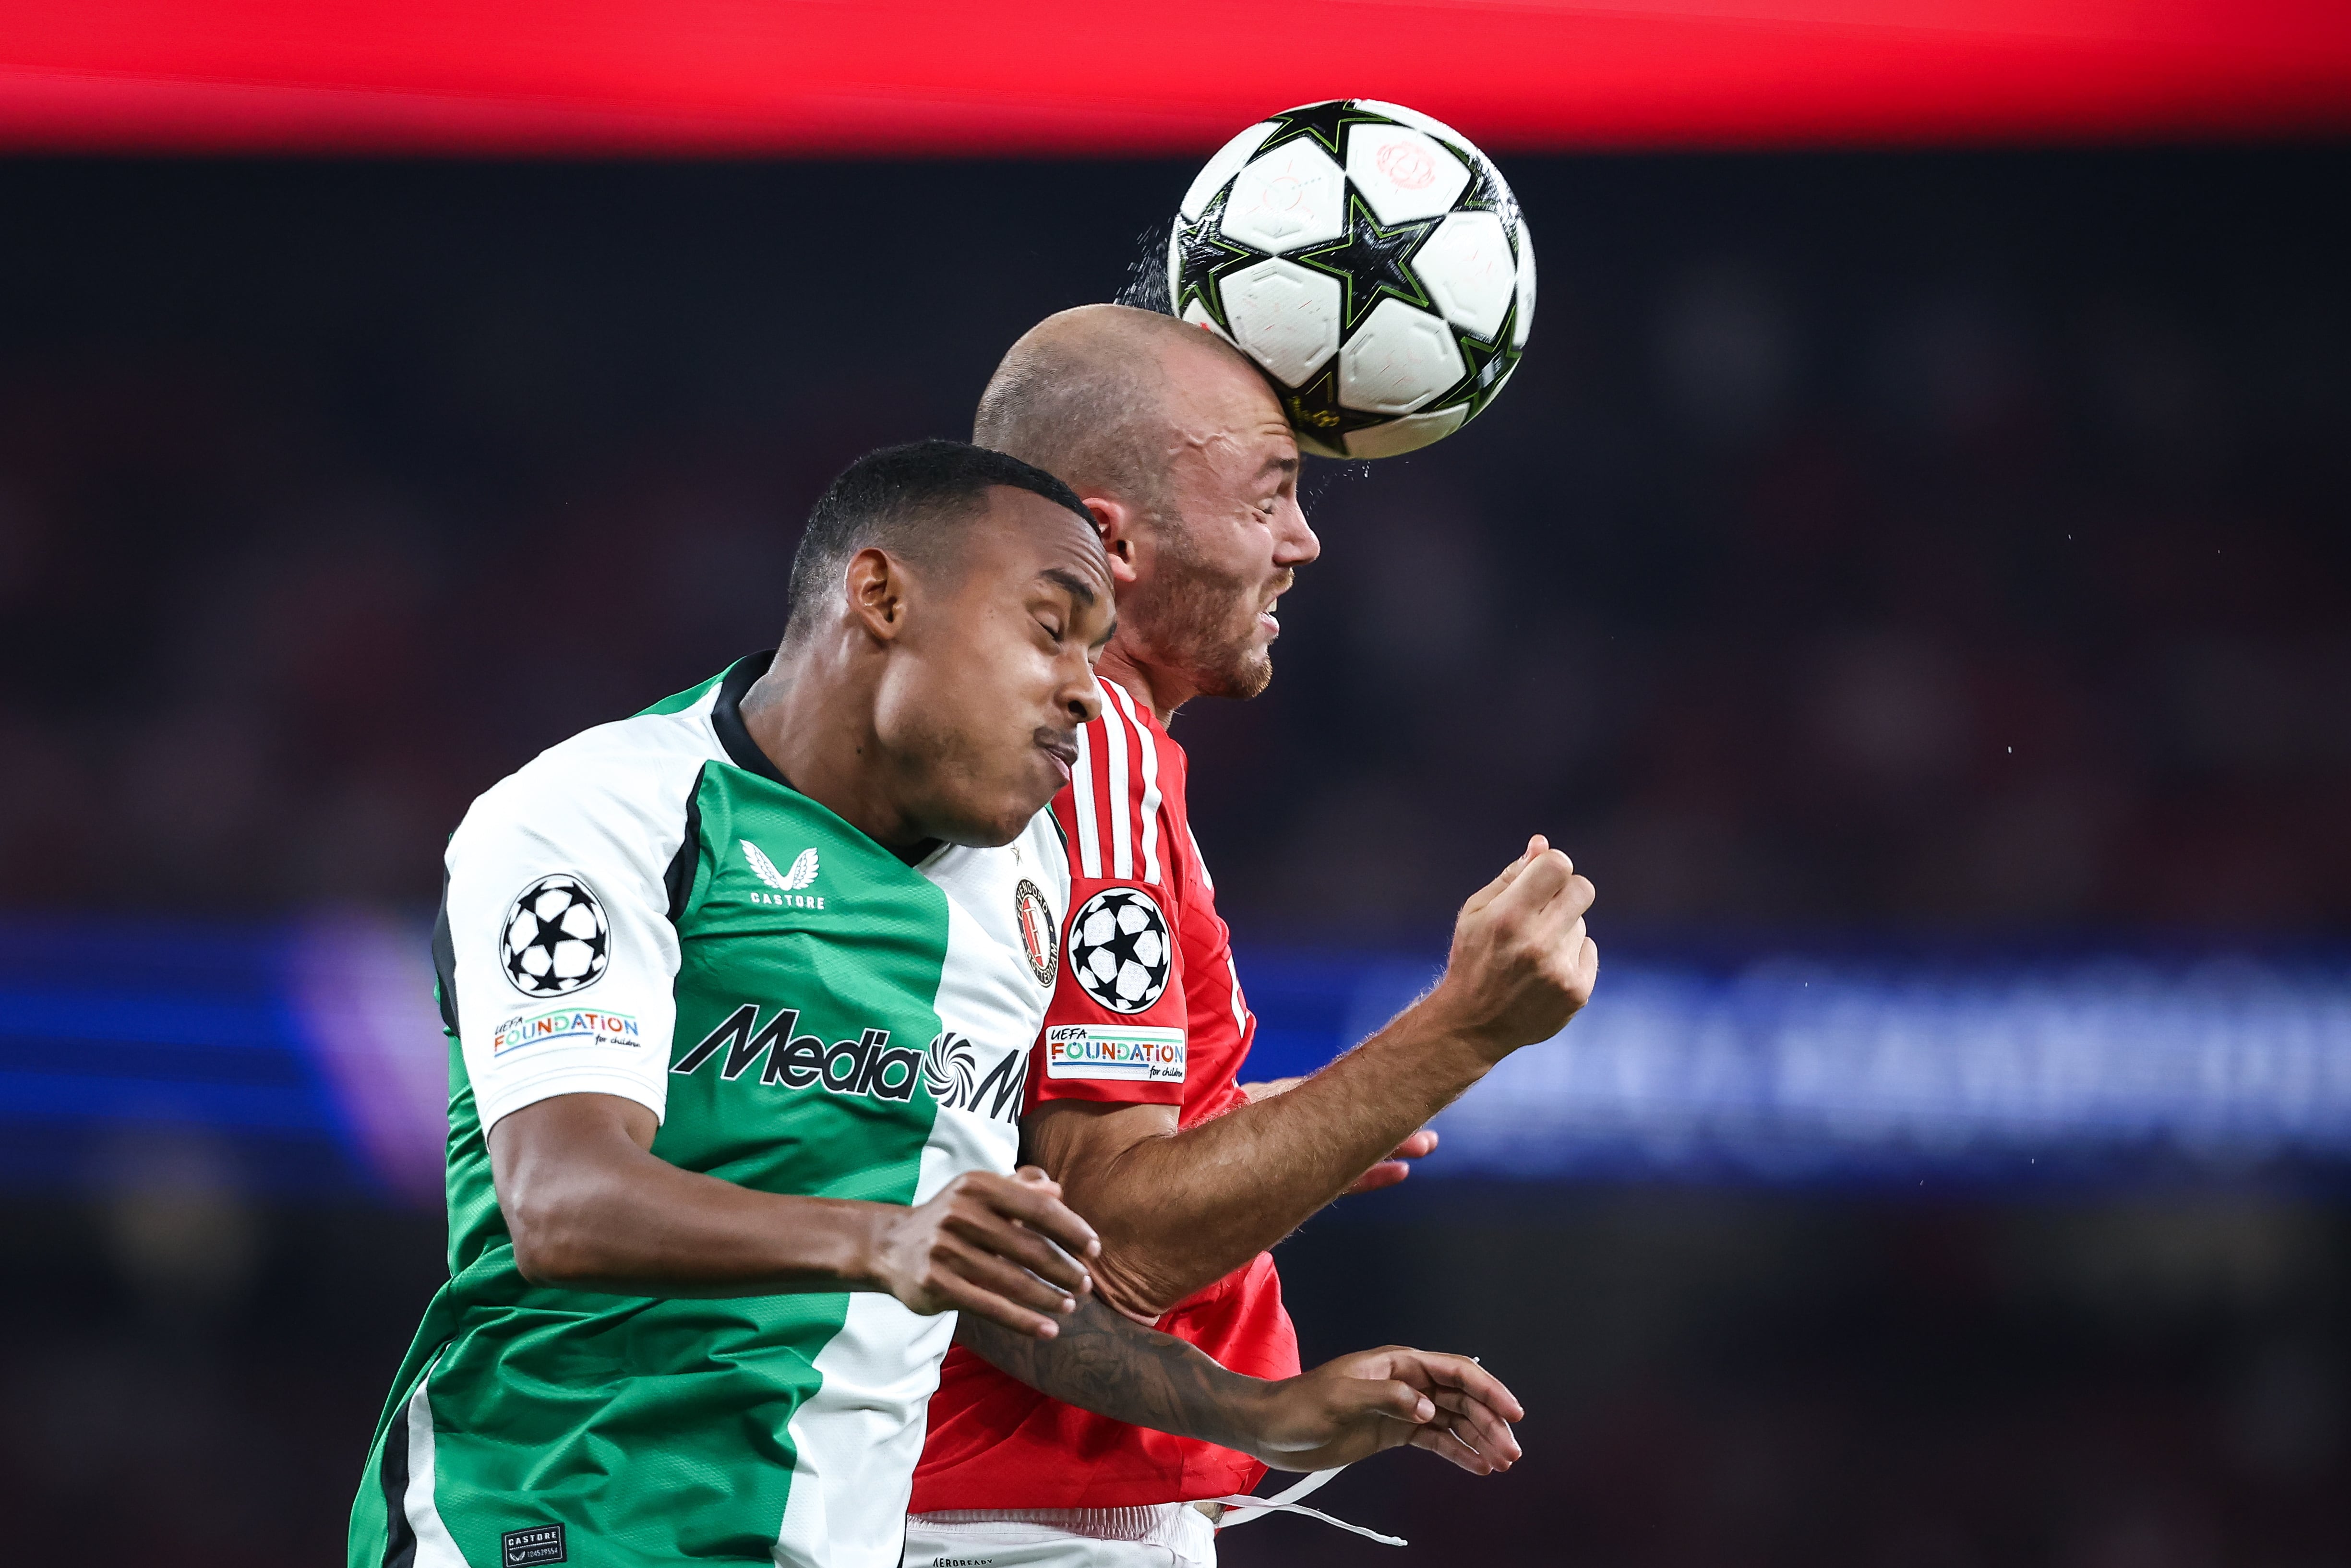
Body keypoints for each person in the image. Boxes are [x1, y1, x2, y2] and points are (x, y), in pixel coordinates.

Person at [347, 440, 1524, 1568]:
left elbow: (992, 1291)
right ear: (880, 595)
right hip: (555, 1517)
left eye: (1096, 652)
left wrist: (1262, 1415)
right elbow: (562, 1201)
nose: (1080, 692)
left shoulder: (1020, 886)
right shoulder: (603, 812)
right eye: (1050, 629)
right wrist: (885, 1236)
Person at [908, 309, 1599, 1566]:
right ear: (1109, 539)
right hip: (1014, 1520)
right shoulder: (1091, 736)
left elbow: (1004, 1156)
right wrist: (1463, 1029)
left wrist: (1268, 1137)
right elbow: (1107, 1247)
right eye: (1270, 498)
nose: (1304, 542)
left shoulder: (982, 738)